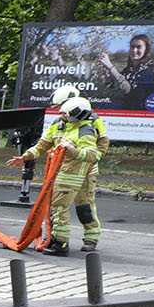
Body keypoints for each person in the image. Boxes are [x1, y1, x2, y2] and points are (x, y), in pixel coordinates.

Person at [10, 95, 103, 255]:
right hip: (62, 175)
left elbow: (93, 153)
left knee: (78, 208)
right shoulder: (59, 125)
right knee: (57, 210)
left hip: (76, 175)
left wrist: (73, 151)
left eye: (65, 111)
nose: (62, 115)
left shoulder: (86, 129)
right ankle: (55, 239)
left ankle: (69, 242)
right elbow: (42, 145)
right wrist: (25, 157)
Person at [52, 83, 106, 234]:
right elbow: (46, 142)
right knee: (57, 205)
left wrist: (93, 161)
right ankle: (53, 237)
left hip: (87, 171)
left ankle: (91, 237)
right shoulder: (59, 122)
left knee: (84, 205)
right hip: (64, 171)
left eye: (61, 106)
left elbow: (102, 144)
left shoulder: (93, 121)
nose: (59, 110)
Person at [98, 34, 154, 111]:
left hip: (139, 111)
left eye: (139, 47)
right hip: (126, 106)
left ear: (146, 49)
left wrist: (110, 67)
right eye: (132, 46)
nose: (134, 50)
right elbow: (111, 86)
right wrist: (106, 71)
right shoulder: (129, 69)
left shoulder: (149, 70)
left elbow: (128, 91)